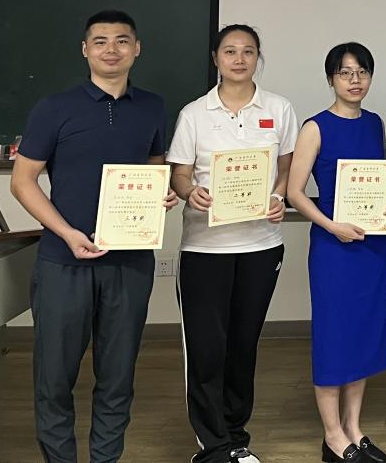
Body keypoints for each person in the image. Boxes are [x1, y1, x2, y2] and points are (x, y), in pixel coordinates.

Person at [10, 10, 179, 463]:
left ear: (136, 49)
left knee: (117, 377)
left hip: (130, 262)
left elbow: (154, 166)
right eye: (100, 41)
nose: (111, 49)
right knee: (54, 377)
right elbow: (23, 182)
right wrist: (67, 233)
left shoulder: (152, 106)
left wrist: (159, 193)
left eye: (122, 40)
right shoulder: (54, 108)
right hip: (64, 261)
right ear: (85, 50)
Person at [167, 24, 299, 463]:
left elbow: (286, 168)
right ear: (215, 58)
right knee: (207, 350)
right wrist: (191, 192)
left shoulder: (279, 108)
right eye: (230, 51)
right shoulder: (194, 113)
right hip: (206, 249)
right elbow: (180, 174)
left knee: (243, 347)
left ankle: (236, 438)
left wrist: (278, 196)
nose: (239, 59)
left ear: (258, 57)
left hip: (261, 245)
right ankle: (212, 446)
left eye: (248, 51)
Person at [287, 42, 386, 463]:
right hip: (334, 247)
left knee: (364, 333)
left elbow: (374, 182)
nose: (355, 80)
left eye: (362, 72)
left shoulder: (374, 123)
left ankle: (354, 427)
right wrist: (332, 225)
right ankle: (333, 435)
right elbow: (296, 193)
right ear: (331, 78)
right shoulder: (315, 127)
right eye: (345, 72)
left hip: (370, 244)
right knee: (335, 336)